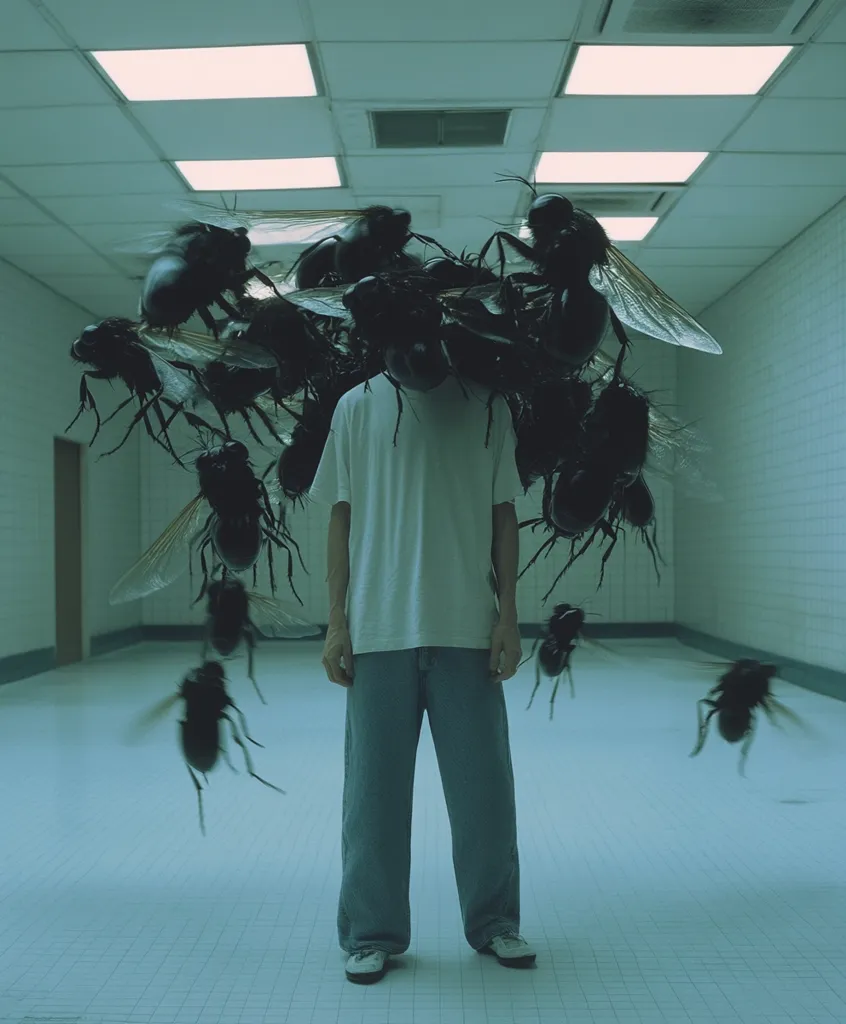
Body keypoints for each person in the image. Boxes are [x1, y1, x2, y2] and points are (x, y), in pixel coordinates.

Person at [308, 370, 536, 984]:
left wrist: (508, 617)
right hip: (380, 628)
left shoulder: (487, 403)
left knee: (484, 792)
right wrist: (336, 621)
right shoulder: (356, 405)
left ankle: (495, 924)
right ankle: (370, 933)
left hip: (466, 624)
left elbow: (504, 514)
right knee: (372, 798)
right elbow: (340, 515)